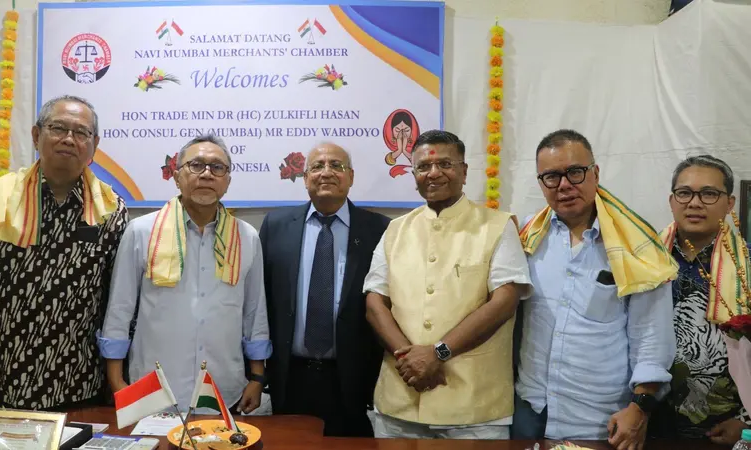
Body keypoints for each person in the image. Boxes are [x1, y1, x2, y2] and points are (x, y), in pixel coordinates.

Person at [0, 95, 128, 414]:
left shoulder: (110, 209)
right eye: (58, 128)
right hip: (1, 379)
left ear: (94, 144)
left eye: (81, 132)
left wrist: (115, 377)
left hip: (81, 382)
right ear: (36, 135)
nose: (69, 139)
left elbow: (119, 301)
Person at [363, 130, 532, 439]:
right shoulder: (395, 230)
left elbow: (505, 301)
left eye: (445, 164)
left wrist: (437, 353)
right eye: (424, 167)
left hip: (474, 409)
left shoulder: (497, 226)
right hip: (399, 403)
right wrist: (408, 357)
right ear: (413, 174)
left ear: (464, 171)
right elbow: (375, 302)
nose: (434, 173)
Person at [513, 129, 677, 447]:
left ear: (595, 173)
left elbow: (651, 338)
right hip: (530, 411)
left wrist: (639, 408)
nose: (564, 185)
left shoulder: (636, 244)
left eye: (575, 172)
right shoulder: (527, 236)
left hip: (600, 419)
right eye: (551, 176)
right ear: (540, 182)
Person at [98, 134, 270, 415]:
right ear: (176, 177)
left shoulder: (246, 237)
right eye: (196, 165)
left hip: (223, 387)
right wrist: (116, 380)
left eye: (217, 168)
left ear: (227, 181)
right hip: (153, 388)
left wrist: (257, 378)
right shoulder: (142, 231)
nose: (206, 174)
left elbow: (254, 312)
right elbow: (120, 309)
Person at [260, 142, 390, 436]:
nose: (327, 172)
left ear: (351, 176)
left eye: (337, 165)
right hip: (288, 377)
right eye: (317, 166)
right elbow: (261, 299)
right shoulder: (277, 225)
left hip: (352, 381)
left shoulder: (379, 229)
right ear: (305, 178)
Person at [650, 155, 751, 445]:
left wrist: (747, 423)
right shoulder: (644, 261)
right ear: (672, 200)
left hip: (727, 428)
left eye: (708, 193)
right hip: (649, 421)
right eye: (685, 193)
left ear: (729, 203)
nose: (694, 203)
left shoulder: (747, 265)